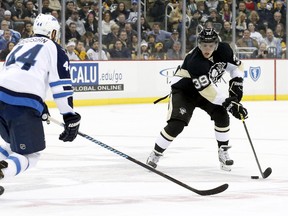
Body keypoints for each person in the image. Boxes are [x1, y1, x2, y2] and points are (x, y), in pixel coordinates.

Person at [146, 28, 248, 172]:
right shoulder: (195, 61)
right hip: (184, 91)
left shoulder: (225, 50)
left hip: (205, 90)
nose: (207, 49)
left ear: (216, 45)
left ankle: (223, 151)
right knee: (177, 124)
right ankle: (155, 154)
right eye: (204, 45)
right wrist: (229, 103)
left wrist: (237, 81)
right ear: (199, 45)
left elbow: (236, 66)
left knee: (221, 115)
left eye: (211, 45)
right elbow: (208, 91)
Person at [0, 14, 81, 180]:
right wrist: (70, 116)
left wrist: (39, 103)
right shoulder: (54, 48)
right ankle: (3, 172)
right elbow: (61, 87)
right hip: (22, 104)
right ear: (52, 33)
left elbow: (12, 74)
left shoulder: (18, 45)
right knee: (31, 154)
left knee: (10, 145)